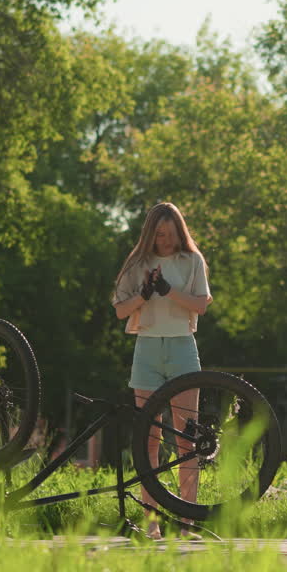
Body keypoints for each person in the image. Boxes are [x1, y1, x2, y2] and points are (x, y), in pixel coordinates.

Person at [112, 202, 212, 539]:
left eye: (170, 234)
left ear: (180, 232)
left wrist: (169, 291)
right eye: (159, 235)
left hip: (182, 347)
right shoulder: (137, 262)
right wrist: (144, 294)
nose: (165, 240)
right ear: (149, 235)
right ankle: (151, 524)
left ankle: (187, 523)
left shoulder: (191, 260)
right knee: (149, 439)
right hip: (148, 349)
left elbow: (201, 304)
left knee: (186, 439)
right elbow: (120, 310)